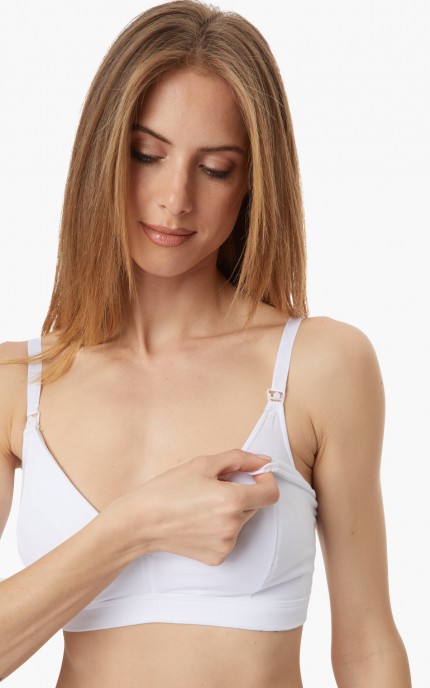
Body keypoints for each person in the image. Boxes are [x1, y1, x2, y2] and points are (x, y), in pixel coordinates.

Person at [0, 1, 412, 686]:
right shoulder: (19, 383)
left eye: (215, 168)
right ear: (102, 155)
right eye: (146, 155)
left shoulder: (319, 367)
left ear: (252, 181)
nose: (175, 198)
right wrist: (134, 526)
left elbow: (366, 648)